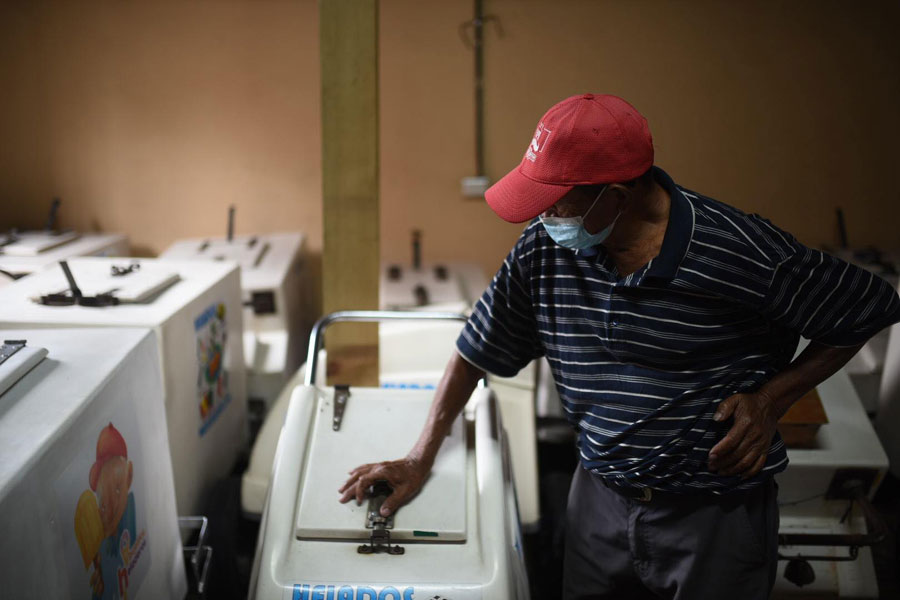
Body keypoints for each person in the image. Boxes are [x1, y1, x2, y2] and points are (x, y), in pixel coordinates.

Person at [339, 93, 900, 599]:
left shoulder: (742, 250)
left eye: (557, 203)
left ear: (616, 196)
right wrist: (419, 456)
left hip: (714, 515)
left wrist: (773, 399)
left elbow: (867, 307)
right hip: (597, 499)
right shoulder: (543, 250)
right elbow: (475, 348)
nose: (542, 216)